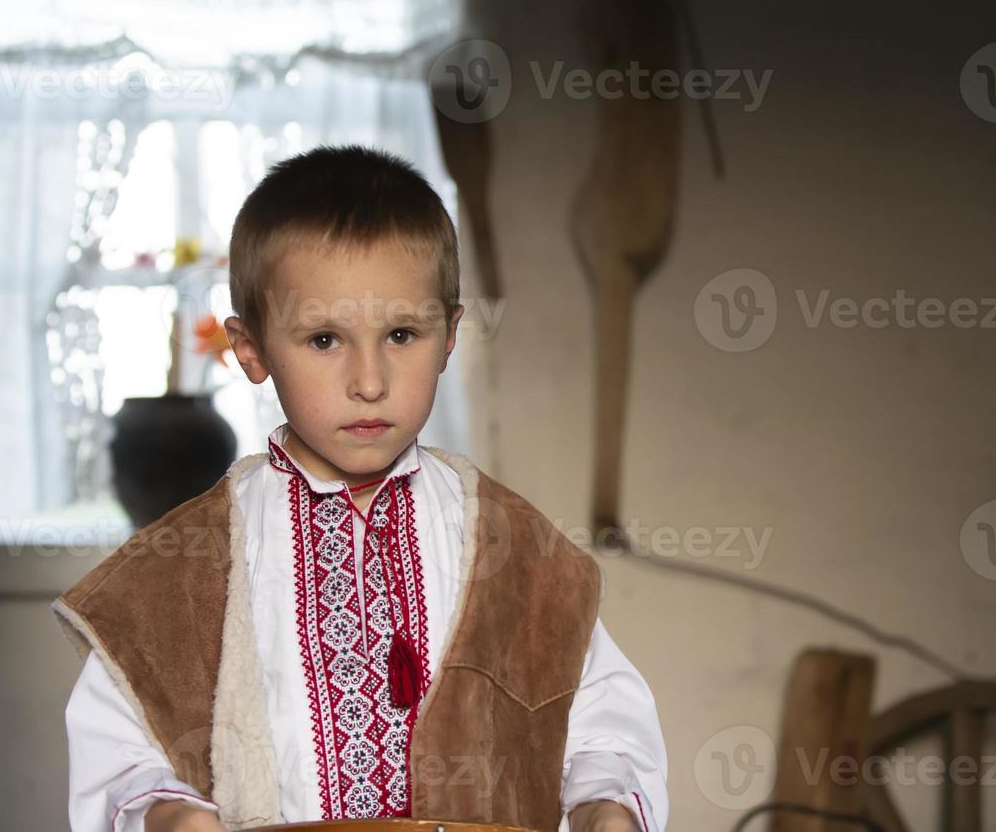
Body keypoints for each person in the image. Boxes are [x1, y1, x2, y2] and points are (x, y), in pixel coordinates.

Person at [56, 145, 668, 832]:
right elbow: (125, 750)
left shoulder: (512, 544)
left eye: (402, 334)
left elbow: (599, 722)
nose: (370, 381)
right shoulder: (182, 566)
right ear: (251, 349)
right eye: (324, 340)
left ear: (449, 337)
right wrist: (166, 814)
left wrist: (604, 805)